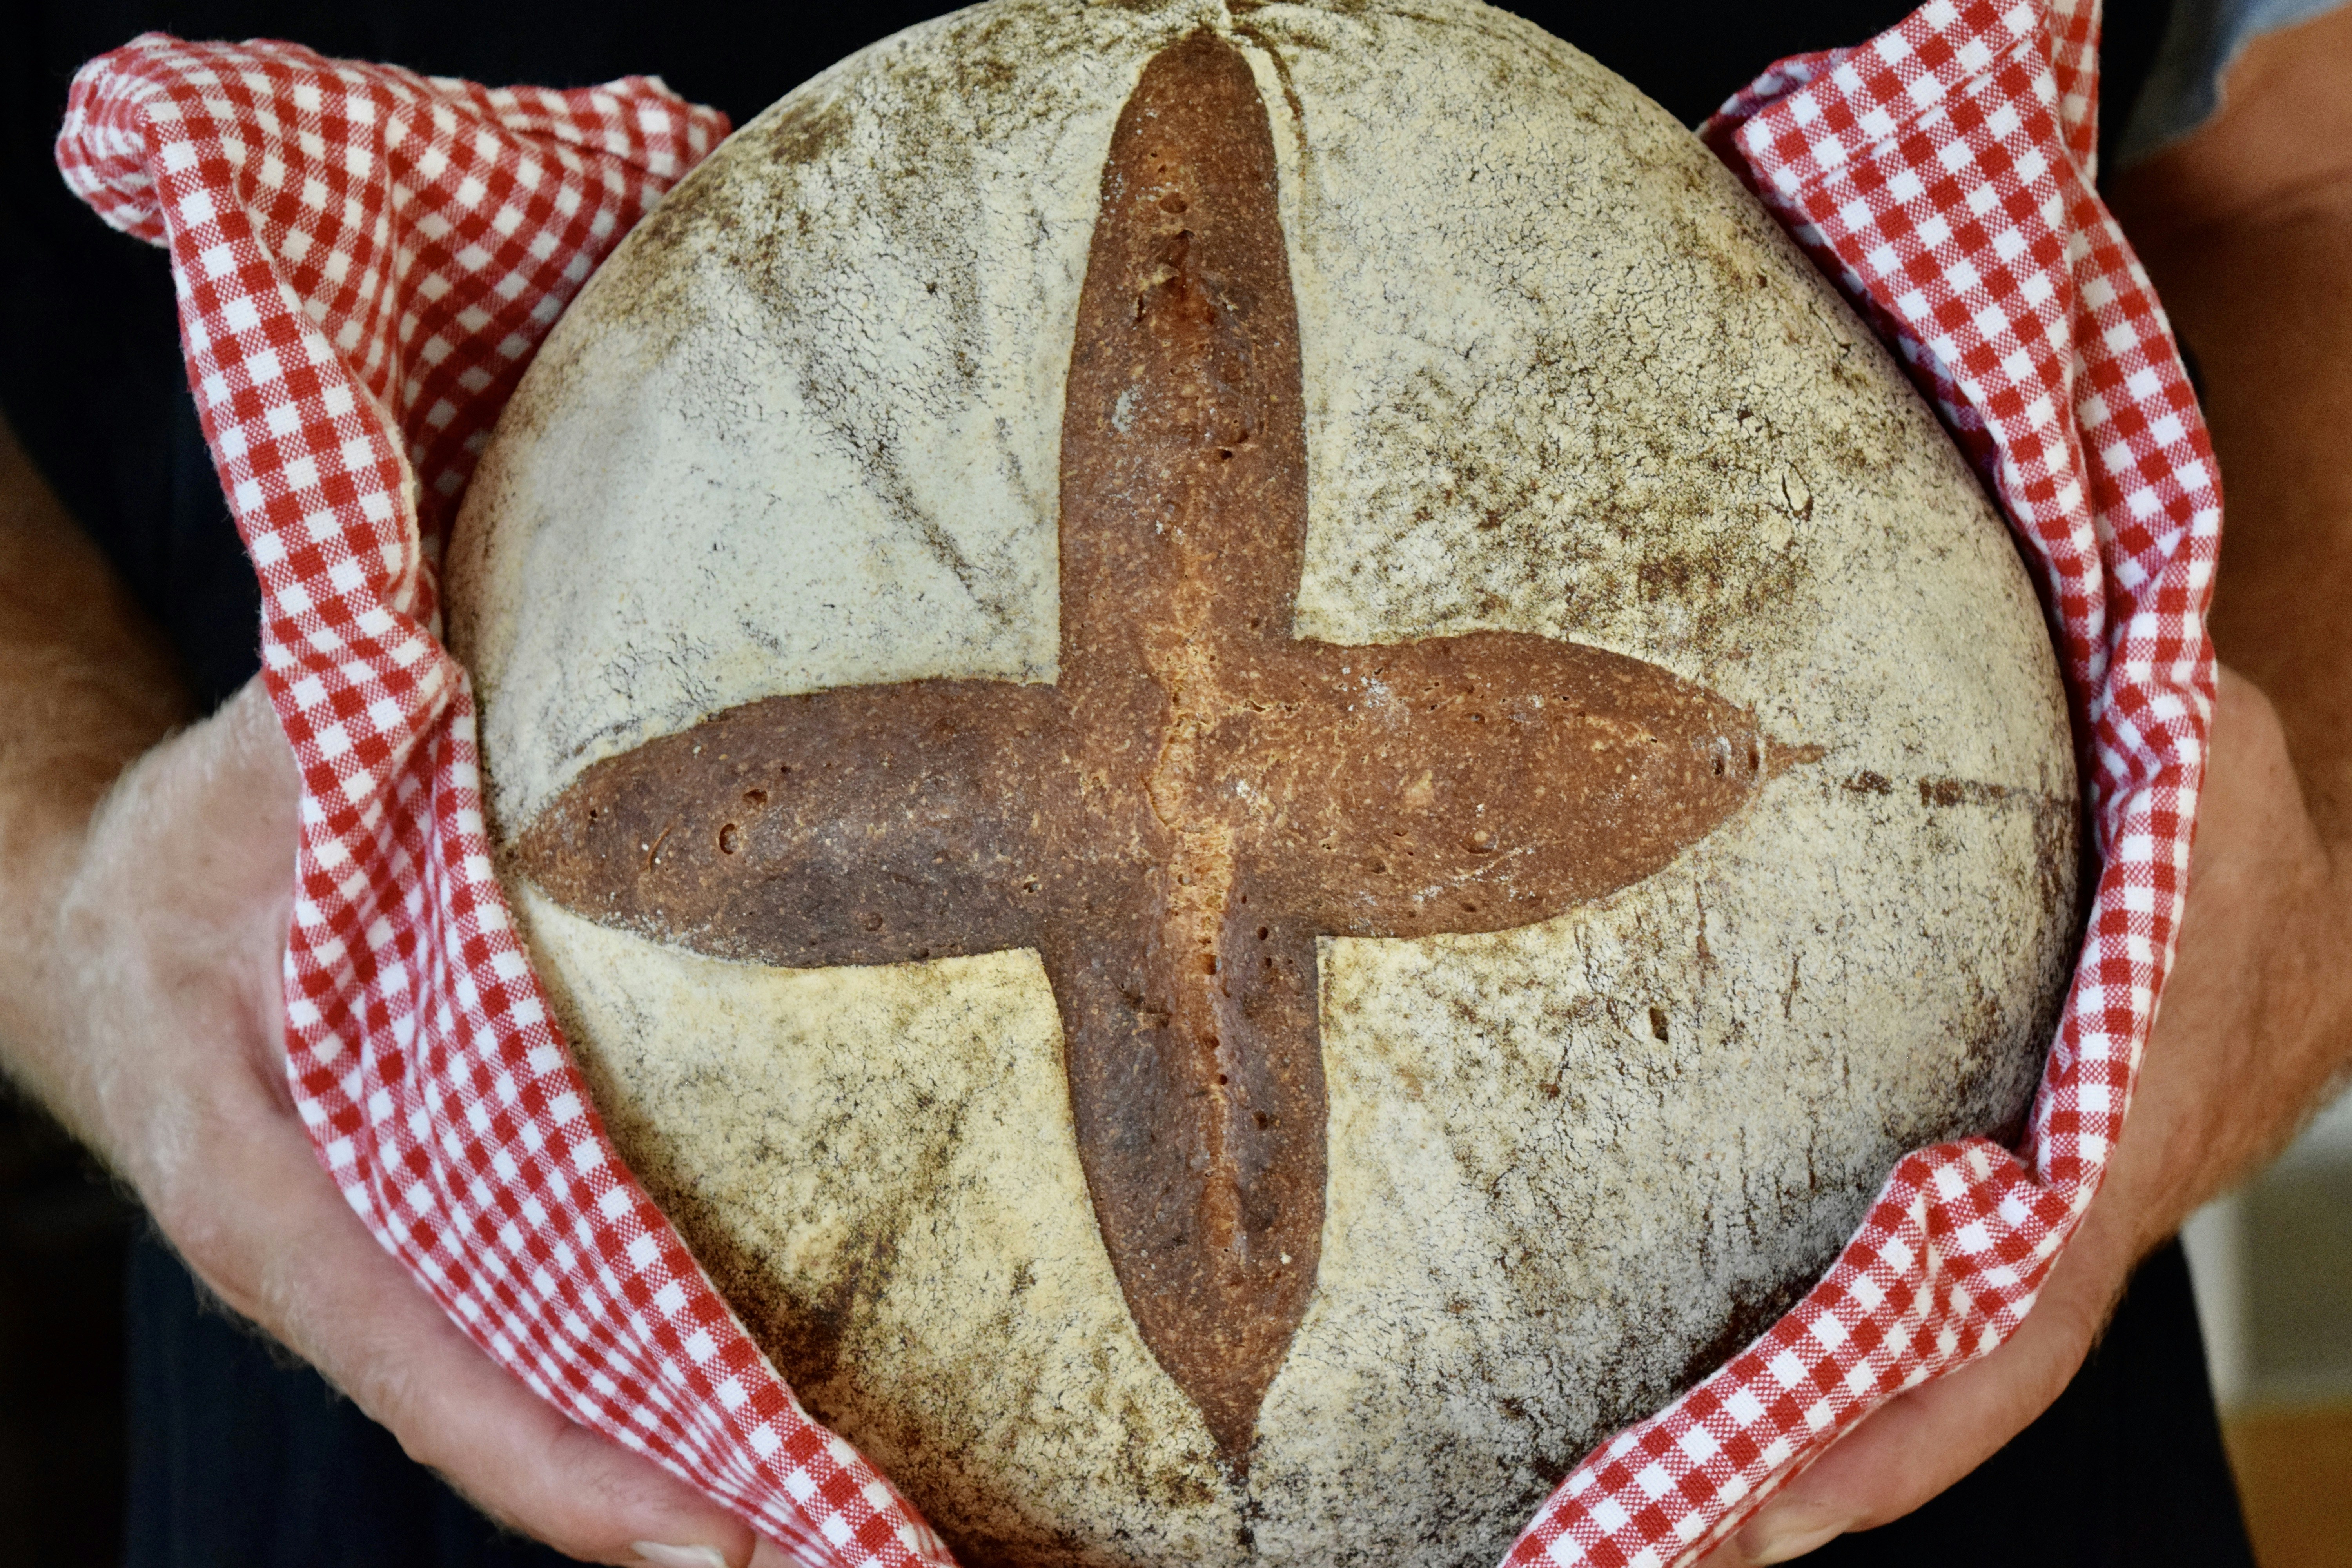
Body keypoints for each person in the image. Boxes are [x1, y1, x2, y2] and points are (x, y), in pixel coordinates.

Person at [0, 2, 2343, 1564]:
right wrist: (65, 887)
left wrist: (2309, 817)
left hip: (1911, 1426)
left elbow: (2322, 189)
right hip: (413, 1348)